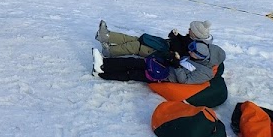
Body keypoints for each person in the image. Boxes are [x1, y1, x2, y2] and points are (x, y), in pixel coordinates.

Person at [92, 37, 225, 84]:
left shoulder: (204, 73)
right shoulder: (193, 57)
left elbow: (185, 81)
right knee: (133, 62)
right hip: (162, 64)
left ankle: (102, 73)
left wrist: (177, 66)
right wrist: (173, 58)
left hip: (164, 75)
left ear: (201, 56)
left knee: (132, 74)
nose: (189, 52)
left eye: (192, 52)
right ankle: (104, 63)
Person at [95, 19, 212, 59]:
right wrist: (174, 35)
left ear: (196, 34)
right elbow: (178, 40)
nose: (189, 29)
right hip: (162, 44)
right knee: (135, 39)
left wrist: (174, 37)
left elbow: (178, 51)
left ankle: (110, 51)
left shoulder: (196, 47)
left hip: (162, 52)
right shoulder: (190, 38)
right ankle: (106, 36)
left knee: (136, 46)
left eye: (191, 29)